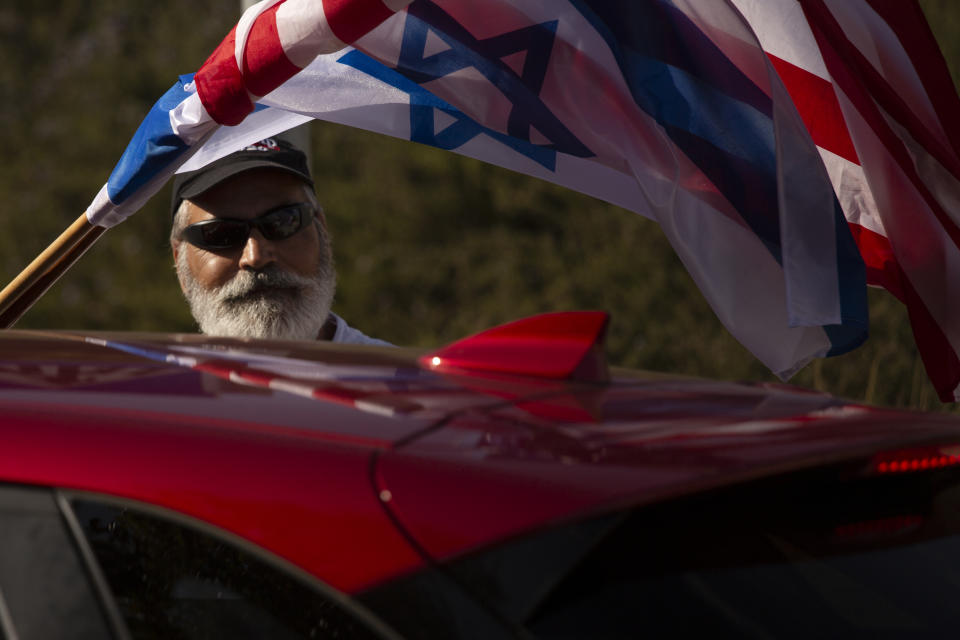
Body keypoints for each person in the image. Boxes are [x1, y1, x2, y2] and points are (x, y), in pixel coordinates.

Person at [169, 137, 389, 345]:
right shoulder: (153, 385)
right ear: (180, 264)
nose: (255, 257)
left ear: (322, 232)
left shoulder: (406, 381)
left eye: (283, 221)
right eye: (220, 234)